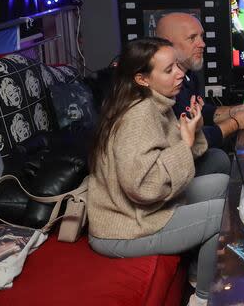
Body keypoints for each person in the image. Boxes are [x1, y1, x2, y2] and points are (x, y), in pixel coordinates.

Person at [87, 38, 227, 306]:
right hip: (125, 228)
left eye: (177, 65)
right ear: (142, 79)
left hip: (147, 211)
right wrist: (185, 142)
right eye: (168, 70)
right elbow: (144, 189)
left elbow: (184, 155)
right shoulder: (138, 116)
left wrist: (193, 130)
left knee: (222, 183)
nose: (180, 73)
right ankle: (203, 299)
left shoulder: (157, 102)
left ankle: (197, 275)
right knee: (221, 212)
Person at [156, 13, 244, 168]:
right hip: (172, 168)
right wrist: (236, 122)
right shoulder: (162, 85)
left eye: (201, 37)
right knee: (218, 158)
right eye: (192, 38)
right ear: (168, 45)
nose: (202, 44)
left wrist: (234, 111)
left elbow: (201, 112)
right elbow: (192, 139)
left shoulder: (189, 74)